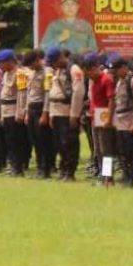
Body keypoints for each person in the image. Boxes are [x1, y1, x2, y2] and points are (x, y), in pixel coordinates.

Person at [42, 47, 85, 181]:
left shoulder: (74, 70)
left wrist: (74, 114)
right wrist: (51, 114)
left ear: (61, 57)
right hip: (57, 111)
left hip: (68, 112)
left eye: (55, 61)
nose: (53, 65)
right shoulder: (58, 70)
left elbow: (78, 93)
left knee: (69, 143)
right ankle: (63, 169)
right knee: (59, 143)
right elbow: (52, 92)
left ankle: (70, 171)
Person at [108, 55, 133, 187]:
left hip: (129, 120)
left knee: (131, 152)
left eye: (116, 70)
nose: (114, 73)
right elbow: (117, 102)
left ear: (124, 68)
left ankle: (132, 178)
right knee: (122, 151)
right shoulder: (119, 81)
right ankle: (126, 175)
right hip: (120, 121)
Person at [22, 51, 52, 178]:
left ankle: (46, 169)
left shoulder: (47, 72)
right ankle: (40, 168)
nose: (30, 67)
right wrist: (26, 112)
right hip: (32, 108)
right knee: (34, 140)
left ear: (37, 60)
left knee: (43, 140)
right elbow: (29, 93)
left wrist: (45, 114)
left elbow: (47, 94)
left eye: (31, 64)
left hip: (41, 108)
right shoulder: (31, 73)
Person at [86, 54, 115, 185]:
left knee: (106, 148)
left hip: (103, 113)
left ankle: (108, 177)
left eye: (89, 73)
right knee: (97, 149)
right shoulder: (94, 81)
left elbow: (111, 100)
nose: (88, 77)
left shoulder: (106, 79)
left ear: (93, 68)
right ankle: (102, 175)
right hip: (94, 115)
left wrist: (108, 118)